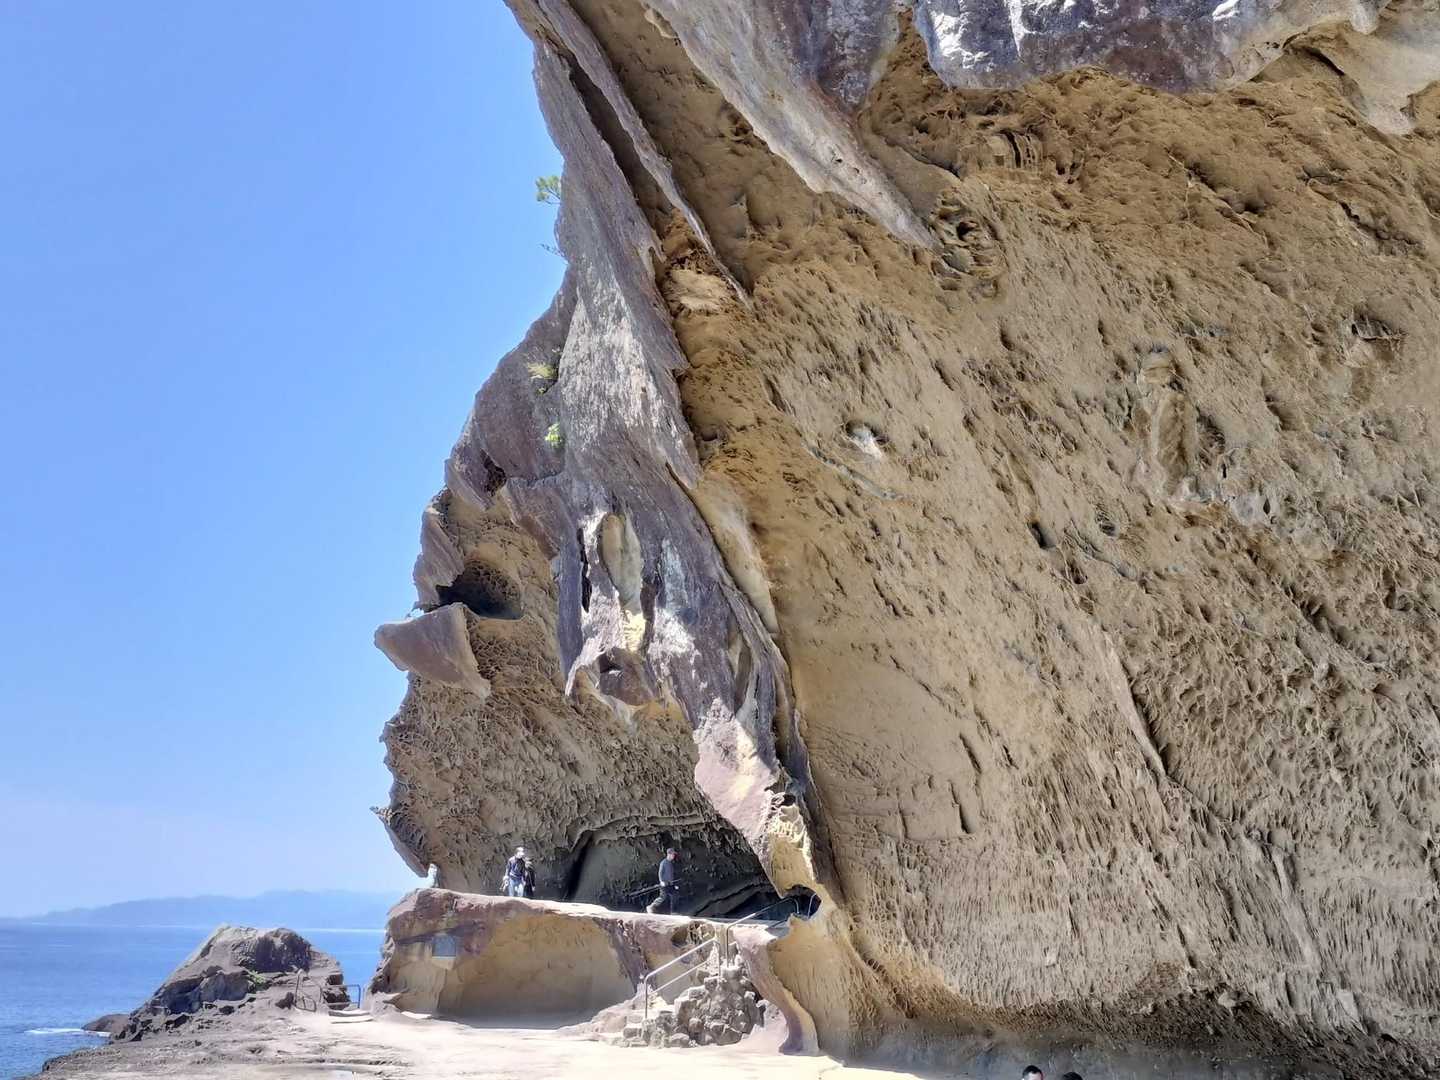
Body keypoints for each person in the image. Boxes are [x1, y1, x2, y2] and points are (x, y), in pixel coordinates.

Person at [647, 847, 681, 914]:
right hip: (664, 884)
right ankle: (651, 907)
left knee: (675, 896)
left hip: (670, 884)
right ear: (669, 854)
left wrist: (674, 884)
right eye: (673, 854)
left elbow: (671, 875)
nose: (674, 856)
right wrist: (661, 881)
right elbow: (660, 873)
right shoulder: (663, 862)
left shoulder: (670, 863)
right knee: (663, 897)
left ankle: (673, 911)